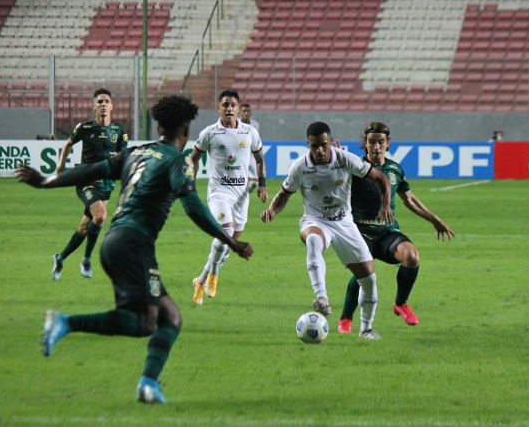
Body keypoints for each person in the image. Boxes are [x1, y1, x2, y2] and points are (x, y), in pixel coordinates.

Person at [15, 95, 253, 404]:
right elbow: (193, 206)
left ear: (157, 125)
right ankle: (65, 322)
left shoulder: (136, 153)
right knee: (144, 322)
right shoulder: (177, 161)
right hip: (134, 245)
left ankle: (148, 384)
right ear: (185, 130)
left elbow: (90, 171)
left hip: (114, 242)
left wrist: (47, 180)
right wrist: (231, 241)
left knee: (170, 317)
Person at [261, 121, 394, 340]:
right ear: (308, 144)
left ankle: (366, 329)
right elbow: (285, 194)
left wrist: (385, 204)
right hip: (315, 220)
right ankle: (321, 298)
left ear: (331, 142)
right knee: (313, 240)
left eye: (324, 145)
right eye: (314, 146)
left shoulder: (344, 159)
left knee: (369, 279)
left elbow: (381, 178)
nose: (320, 150)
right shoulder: (300, 167)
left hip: (344, 223)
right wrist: (272, 210)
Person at [337, 122, 455, 333]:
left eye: (380, 142)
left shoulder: (395, 169)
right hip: (360, 232)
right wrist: (335, 161)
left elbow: (409, 199)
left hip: (387, 232)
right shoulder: (354, 166)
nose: (376, 147)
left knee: (412, 257)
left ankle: (400, 304)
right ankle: (346, 319)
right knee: (365, 272)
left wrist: (434, 220)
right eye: (371, 142)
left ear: (388, 143)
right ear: (364, 144)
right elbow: (333, 182)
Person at [190, 90, 267, 305]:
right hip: (219, 192)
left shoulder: (249, 132)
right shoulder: (210, 133)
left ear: (238, 107)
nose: (229, 109)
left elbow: (260, 159)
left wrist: (261, 185)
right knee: (227, 231)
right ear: (219, 108)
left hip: (241, 195)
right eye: (225, 105)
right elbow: (193, 159)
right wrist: (190, 185)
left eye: (232, 105)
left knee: (229, 245)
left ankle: (201, 280)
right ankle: (214, 275)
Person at [51, 88, 128, 280]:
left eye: (106, 101)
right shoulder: (84, 128)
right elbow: (68, 143)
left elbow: (125, 156)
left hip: (106, 185)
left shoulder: (119, 131)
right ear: (94, 106)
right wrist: (60, 166)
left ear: (112, 106)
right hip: (86, 180)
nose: (103, 105)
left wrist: (119, 157)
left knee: (85, 228)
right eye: (100, 102)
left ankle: (60, 258)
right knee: (101, 216)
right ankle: (86, 260)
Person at [239, 102, 261, 193]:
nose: (246, 113)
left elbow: (254, 140)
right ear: (240, 112)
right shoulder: (235, 123)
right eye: (244, 111)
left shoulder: (255, 125)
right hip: (238, 156)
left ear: (251, 113)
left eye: (248, 111)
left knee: (253, 183)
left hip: (250, 155)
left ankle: (241, 196)